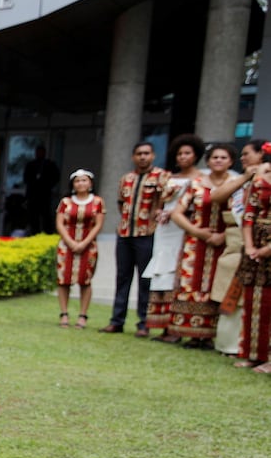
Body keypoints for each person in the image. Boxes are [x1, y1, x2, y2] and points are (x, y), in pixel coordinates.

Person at [167, 143, 233, 347]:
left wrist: (224, 235)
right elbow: (177, 213)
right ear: (208, 161)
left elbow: (241, 215)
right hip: (195, 243)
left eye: (223, 157)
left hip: (225, 243)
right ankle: (192, 333)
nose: (219, 161)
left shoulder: (236, 184)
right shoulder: (195, 184)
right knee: (191, 285)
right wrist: (197, 232)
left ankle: (213, 335)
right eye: (215, 157)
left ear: (231, 161)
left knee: (218, 285)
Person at [103, 142, 170, 335]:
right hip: (125, 234)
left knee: (145, 280)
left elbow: (165, 202)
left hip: (146, 235)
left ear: (153, 156)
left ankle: (144, 323)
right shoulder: (126, 179)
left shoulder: (161, 177)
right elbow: (121, 203)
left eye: (146, 153)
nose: (142, 157)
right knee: (122, 277)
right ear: (133, 157)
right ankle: (117, 321)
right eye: (139, 154)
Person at [209, 140, 265, 359]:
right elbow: (216, 197)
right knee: (229, 289)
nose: (242, 158)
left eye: (246, 154)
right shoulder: (237, 179)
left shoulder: (267, 179)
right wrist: (246, 177)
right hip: (234, 242)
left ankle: (248, 346)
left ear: (261, 155)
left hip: (257, 241)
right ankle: (227, 344)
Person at [144, 134, 202, 342]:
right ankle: (161, 326)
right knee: (160, 272)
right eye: (179, 154)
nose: (183, 157)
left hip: (182, 228)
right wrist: (158, 213)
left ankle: (176, 327)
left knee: (177, 273)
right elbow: (159, 202)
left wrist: (179, 215)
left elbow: (200, 207)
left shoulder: (200, 179)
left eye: (187, 153)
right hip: (163, 229)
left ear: (195, 155)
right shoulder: (168, 178)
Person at [235, 143, 271, 372]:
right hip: (255, 245)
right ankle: (253, 354)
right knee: (254, 301)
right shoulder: (259, 181)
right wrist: (250, 245)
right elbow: (249, 215)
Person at [55, 169, 103, 328]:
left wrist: (83, 243)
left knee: (85, 280)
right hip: (66, 245)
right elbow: (60, 223)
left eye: (84, 180)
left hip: (88, 246)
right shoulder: (66, 202)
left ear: (90, 183)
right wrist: (70, 242)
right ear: (73, 184)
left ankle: (83, 315)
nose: (81, 183)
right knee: (64, 280)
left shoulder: (97, 202)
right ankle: (64, 314)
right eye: (77, 181)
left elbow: (98, 225)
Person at [23, 144, 60, 235]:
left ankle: (48, 233)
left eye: (41, 152)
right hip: (33, 195)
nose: (39, 154)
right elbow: (26, 179)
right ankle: (34, 233)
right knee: (33, 217)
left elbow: (56, 177)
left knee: (46, 216)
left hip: (45, 195)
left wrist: (48, 185)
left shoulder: (50, 164)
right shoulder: (31, 165)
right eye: (37, 152)